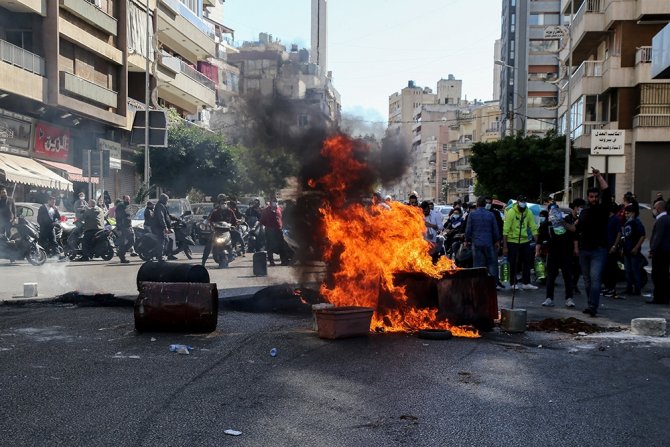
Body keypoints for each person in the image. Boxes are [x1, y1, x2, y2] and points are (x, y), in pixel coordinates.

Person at [576, 168, 612, 317]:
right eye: (591, 197)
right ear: (588, 198)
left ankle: (593, 306)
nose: (594, 199)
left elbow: (607, 191)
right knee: (587, 280)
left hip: (598, 250)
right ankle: (591, 303)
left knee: (595, 278)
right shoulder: (584, 212)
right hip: (585, 250)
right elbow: (576, 229)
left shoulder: (603, 209)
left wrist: (598, 177)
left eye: (596, 196)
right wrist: (561, 223)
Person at [537, 202, 577, 307]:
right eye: (551, 211)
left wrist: (561, 221)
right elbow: (540, 240)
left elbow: (573, 231)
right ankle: (549, 298)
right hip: (552, 253)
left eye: (555, 211)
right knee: (550, 277)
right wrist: (537, 252)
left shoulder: (565, 220)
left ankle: (569, 298)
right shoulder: (546, 224)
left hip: (566, 252)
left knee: (567, 276)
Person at [503, 195, 538, 290]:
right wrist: (505, 246)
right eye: (521, 201)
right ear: (517, 202)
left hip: (525, 240)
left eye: (524, 201)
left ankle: (526, 282)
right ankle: (513, 283)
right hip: (512, 241)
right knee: (513, 262)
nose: (523, 203)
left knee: (527, 261)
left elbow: (533, 227)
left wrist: (537, 241)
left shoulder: (528, 212)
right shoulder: (511, 212)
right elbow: (505, 230)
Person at [612, 204, 646, 296]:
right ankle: (629, 288)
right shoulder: (627, 223)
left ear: (633, 213)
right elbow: (626, 238)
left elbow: (642, 235)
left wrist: (636, 247)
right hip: (627, 250)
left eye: (628, 213)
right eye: (626, 213)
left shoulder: (636, 222)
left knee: (635, 270)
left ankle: (637, 289)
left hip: (634, 251)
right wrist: (623, 248)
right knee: (628, 271)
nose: (626, 215)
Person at [464, 196, 500, 279]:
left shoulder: (472, 214)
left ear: (477, 204)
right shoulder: (491, 214)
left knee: (478, 265)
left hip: (476, 243)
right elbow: (495, 229)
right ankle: (493, 284)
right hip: (488, 243)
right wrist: (497, 241)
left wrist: (466, 240)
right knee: (491, 264)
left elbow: (468, 229)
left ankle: (478, 284)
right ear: (485, 204)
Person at [649, 200, 670, 304]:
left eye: (654, 208)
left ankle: (658, 297)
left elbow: (658, 237)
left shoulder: (661, 220)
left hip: (660, 252)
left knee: (657, 275)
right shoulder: (668, 218)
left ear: (658, 208)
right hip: (666, 251)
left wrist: (652, 249)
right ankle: (664, 297)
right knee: (664, 275)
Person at [601, 203, 623, 298]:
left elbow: (618, 233)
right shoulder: (605, 219)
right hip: (604, 247)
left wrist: (614, 246)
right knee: (605, 269)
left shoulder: (616, 219)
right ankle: (606, 287)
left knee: (611, 269)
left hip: (612, 248)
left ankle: (612, 288)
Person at [565, 198, 585, 295]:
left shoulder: (582, 219)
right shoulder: (568, 218)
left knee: (578, 268)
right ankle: (569, 286)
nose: (581, 210)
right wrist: (575, 223)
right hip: (569, 245)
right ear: (575, 207)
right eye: (580, 208)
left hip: (580, 246)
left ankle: (574, 284)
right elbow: (570, 230)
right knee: (569, 267)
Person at [261, 198, 289, 266]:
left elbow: (282, 219)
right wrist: (267, 227)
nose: (275, 203)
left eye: (276, 202)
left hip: (279, 230)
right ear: (270, 203)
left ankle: (283, 261)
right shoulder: (265, 211)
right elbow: (262, 221)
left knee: (281, 246)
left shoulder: (279, 209)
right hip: (270, 231)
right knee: (270, 247)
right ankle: (271, 262)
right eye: (274, 202)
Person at [201, 194, 228, 266]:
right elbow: (209, 218)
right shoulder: (215, 210)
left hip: (227, 230)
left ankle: (240, 249)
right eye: (221, 201)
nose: (222, 203)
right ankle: (203, 261)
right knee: (209, 244)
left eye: (223, 201)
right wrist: (206, 222)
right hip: (217, 230)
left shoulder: (229, 209)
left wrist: (235, 223)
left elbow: (234, 218)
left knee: (237, 234)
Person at [152, 193, 175, 260]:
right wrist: (165, 227)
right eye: (166, 200)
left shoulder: (162, 206)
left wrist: (176, 219)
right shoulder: (160, 206)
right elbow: (161, 217)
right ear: (164, 199)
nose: (167, 201)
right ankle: (159, 256)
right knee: (162, 240)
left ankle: (163, 254)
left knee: (167, 240)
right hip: (158, 227)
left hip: (160, 226)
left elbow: (167, 216)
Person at [115, 195, 134, 264]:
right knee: (124, 242)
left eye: (129, 199)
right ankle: (122, 256)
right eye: (127, 199)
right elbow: (119, 217)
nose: (128, 201)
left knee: (131, 240)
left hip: (128, 226)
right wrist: (119, 227)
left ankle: (121, 253)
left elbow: (129, 215)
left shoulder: (127, 206)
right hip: (123, 227)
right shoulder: (121, 206)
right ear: (123, 199)